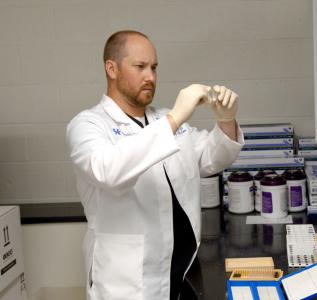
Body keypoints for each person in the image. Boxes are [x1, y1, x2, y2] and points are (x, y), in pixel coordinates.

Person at [66, 30, 244, 300]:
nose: (150, 76)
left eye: (154, 67)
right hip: (126, 286)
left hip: (181, 275)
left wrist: (226, 120)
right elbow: (108, 171)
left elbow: (212, 157)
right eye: (140, 67)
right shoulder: (88, 125)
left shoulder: (163, 120)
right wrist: (175, 118)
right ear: (111, 68)